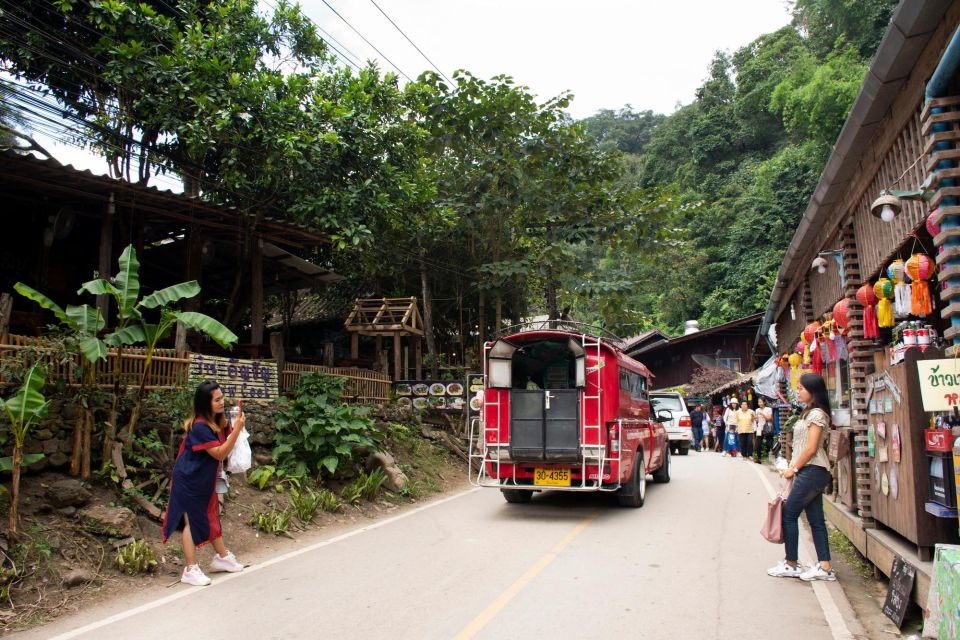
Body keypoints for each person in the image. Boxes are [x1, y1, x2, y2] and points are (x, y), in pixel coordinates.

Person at [162, 380, 247, 586]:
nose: (221, 402)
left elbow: (228, 438)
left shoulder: (218, 422)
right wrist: (236, 431)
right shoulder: (200, 426)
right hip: (189, 481)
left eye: (222, 398)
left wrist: (234, 425)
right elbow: (219, 453)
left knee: (210, 515)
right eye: (216, 400)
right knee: (193, 521)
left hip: (203, 480)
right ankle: (190, 569)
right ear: (205, 403)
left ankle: (222, 557)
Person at [767, 372, 836, 582]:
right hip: (810, 471)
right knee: (816, 519)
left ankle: (791, 563)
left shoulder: (817, 415)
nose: (797, 391)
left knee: (789, 514)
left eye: (801, 388)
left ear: (812, 391)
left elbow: (811, 448)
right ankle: (824, 567)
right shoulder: (807, 413)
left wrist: (793, 469)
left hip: (813, 470)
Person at [754, 398, 774, 464]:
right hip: (759, 428)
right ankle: (759, 459)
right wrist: (755, 418)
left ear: (764, 402)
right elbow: (757, 420)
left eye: (760, 402)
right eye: (758, 402)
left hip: (767, 428)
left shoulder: (769, 409)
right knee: (758, 444)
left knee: (769, 442)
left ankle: (774, 456)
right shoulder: (757, 410)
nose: (759, 403)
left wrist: (762, 414)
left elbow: (769, 418)